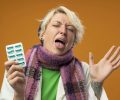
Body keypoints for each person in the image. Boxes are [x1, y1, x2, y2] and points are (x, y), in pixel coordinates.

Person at [0, 6, 120, 100]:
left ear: (74, 42)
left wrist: (97, 84)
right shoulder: (17, 67)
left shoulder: (86, 71)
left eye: (70, 29)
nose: (63, 31)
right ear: (42, 33)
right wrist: (19, 93)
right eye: (56, 25)